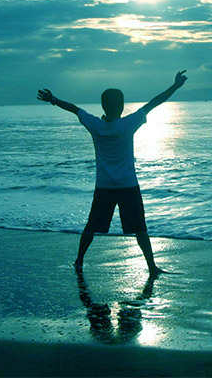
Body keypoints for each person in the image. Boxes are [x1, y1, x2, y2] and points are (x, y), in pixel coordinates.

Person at [37, 70, 188, 276]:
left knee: (91, 226)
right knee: (140, 228)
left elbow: (74, 109)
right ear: (121, 106)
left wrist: (53, 99)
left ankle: (79, 261)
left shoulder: (96, 125)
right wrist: (175, 86)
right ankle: (151, 267)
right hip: (128, 185)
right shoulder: (128, 124)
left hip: (104, 186)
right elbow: (154, 103)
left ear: (103, 106)